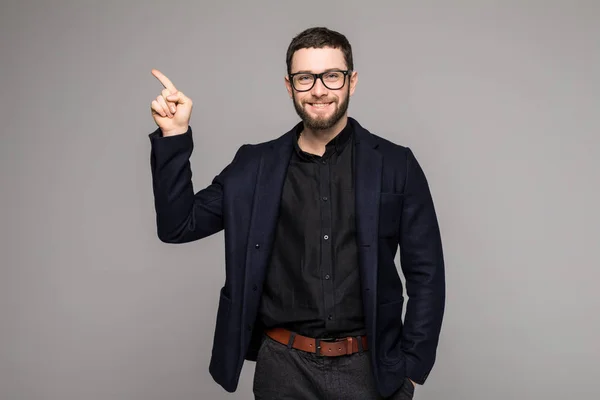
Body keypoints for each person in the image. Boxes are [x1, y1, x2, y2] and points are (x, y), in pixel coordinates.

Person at [148, 27, 445, 400]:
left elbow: (427, 275)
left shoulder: (396, 164)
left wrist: (412, 370)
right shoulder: (253, 166)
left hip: (371, 369)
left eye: (331, 76)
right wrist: (175, 136)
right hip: (282, 370)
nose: (319, 89)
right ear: (290, 86)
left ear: (351, 81)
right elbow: (179, 225)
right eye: (305, 78)